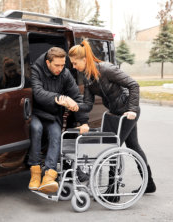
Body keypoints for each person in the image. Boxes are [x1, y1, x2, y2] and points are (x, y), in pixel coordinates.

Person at [55, 40, 156, 195]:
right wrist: (72, 105)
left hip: (128, 112)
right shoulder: (89, 78)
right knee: (133, 146)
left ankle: (111, 190)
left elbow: (133, 85)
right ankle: (149, 184)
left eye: (75, 63)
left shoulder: (107, 69)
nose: (74, 67)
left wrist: (133, 109)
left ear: (84, 59)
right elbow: (88, 105)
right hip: (115, 112)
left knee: (111, 148)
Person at [28, 47, 88, 194]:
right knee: (36, 129)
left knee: (56, 135)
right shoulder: (36, 70)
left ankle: (49, 175)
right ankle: (35, 174)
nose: (60, 69)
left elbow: (77, 97)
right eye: (57, 65)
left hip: (52, 115)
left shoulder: (65, 74)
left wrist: (84, 121)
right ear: (48, 62)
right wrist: (60, 98)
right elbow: (38, 93)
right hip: (36, 113)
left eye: (63, 65)